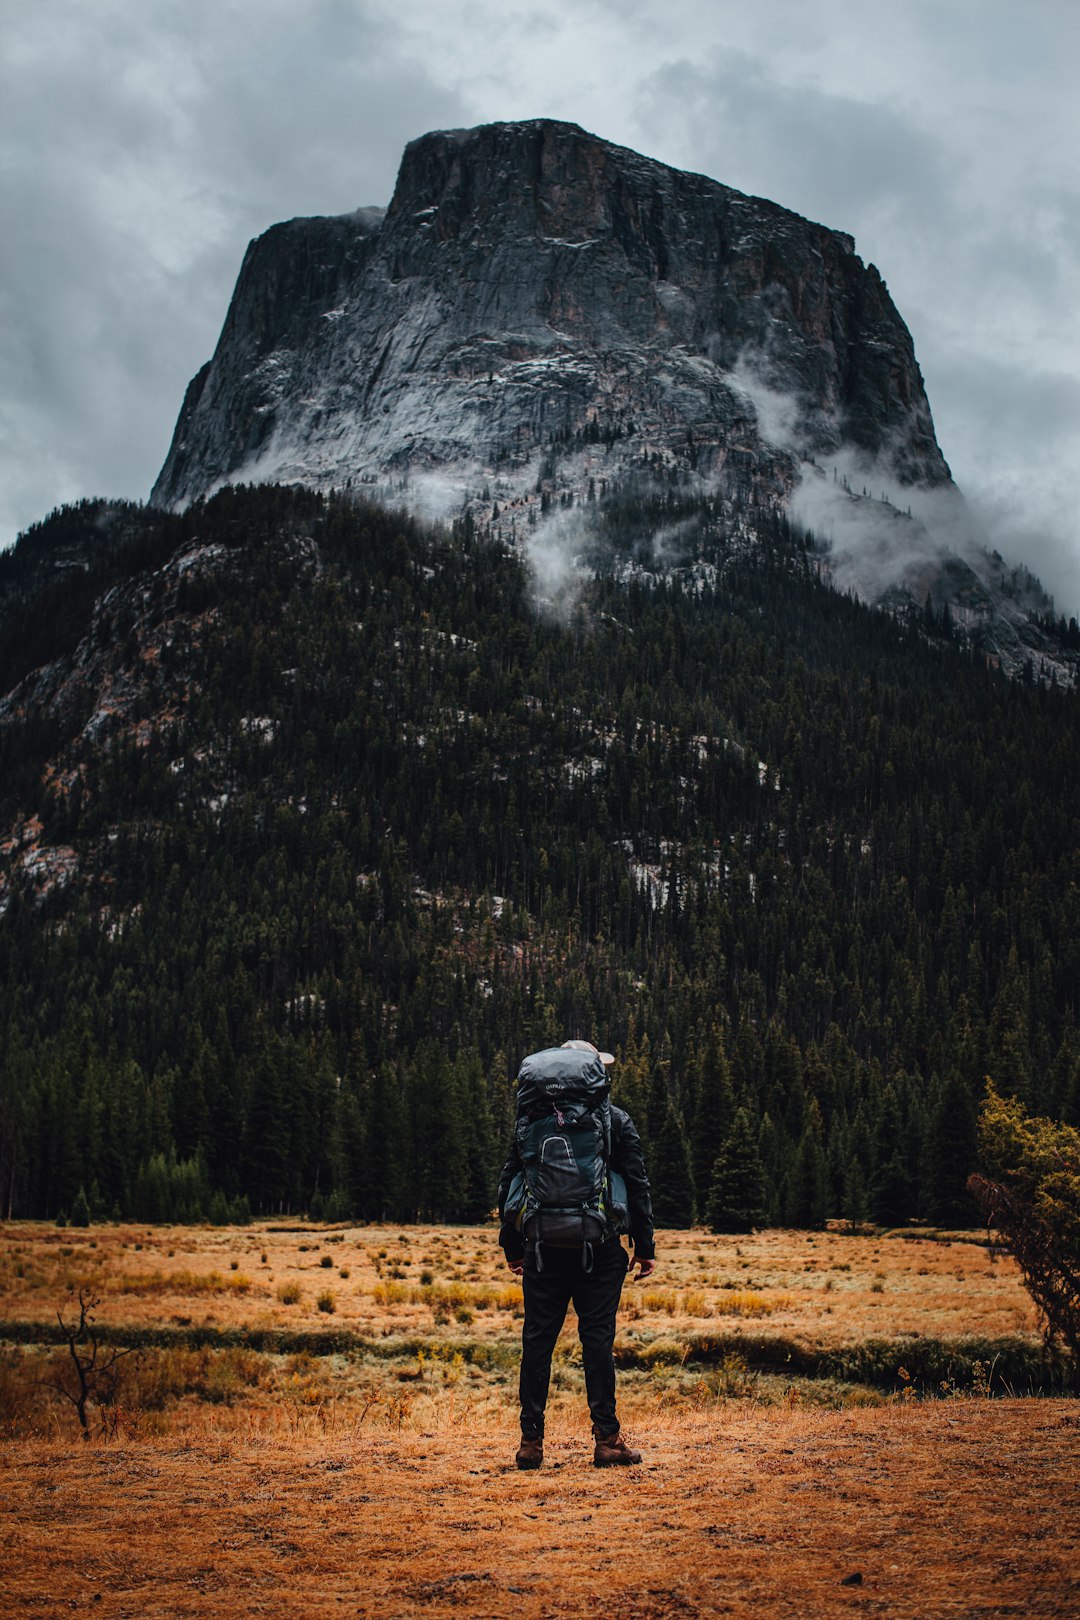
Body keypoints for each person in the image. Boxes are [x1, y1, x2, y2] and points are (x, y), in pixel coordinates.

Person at [498, 1039, 656, 1469]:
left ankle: (531, 1444)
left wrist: (512, 1246)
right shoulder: (616, 1122)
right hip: (599, 1250)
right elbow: (638, 1186)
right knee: (597, 1343)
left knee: (537, 1343)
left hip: (542, 1249)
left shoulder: (531, 1121)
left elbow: (510, 1184)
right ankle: (607, 1440)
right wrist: (645, 1247)